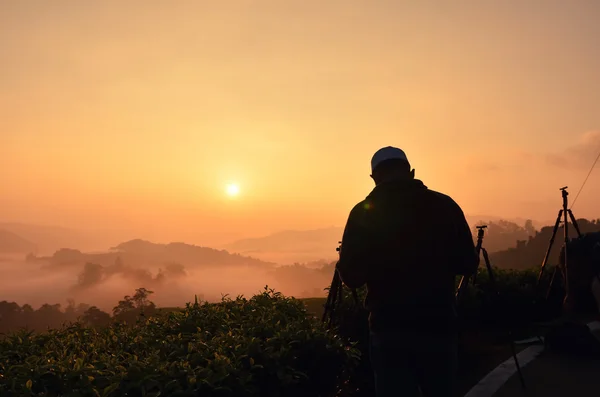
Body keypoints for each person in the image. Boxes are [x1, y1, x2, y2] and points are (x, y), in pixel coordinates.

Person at [336, 146, 479, 397]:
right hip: (438, 324)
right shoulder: (445, 205)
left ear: (374, 178)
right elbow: (468, 263)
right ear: (411, 172)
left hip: (388, 328)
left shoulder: (363, 213)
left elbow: (352, 277)